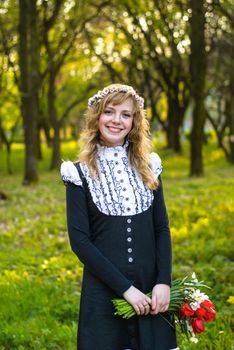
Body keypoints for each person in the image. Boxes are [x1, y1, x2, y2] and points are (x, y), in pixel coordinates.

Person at [60, 84, 179, 350]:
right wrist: (126, 289)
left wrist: (163, 282)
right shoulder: (77, 174)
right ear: (96, 117)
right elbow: (80, 241)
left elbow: (161, 228)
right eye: (109, 112)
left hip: (151, 291)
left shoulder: (150, 167)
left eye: (126, 114)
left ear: (135, 122)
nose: (116, 120)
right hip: (103, 291)